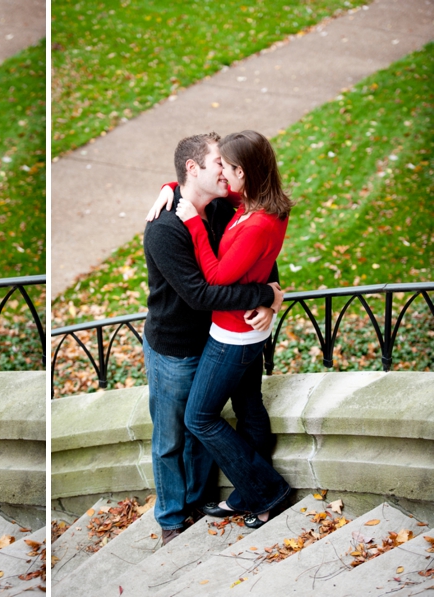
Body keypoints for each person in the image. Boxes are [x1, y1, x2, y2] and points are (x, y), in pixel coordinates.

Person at [142, 132, 284, 545]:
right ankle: (170, 518)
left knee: (203, 425)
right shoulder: (165, 229)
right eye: (218, 163)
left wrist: (273, 296)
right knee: (170, 437)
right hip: (173, 348)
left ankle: (201, 500)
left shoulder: (223, 208)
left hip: (215, 339)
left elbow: (261, 253)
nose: (226, 170)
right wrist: (264, 295)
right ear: (193, 169)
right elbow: (201, 294)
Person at [175, 130, 293, 527]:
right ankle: (250, 495)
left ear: (243, 171)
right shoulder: (261, 203)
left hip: (233, 336)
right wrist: (170, 187)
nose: (221, 172)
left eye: (225, 166)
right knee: (249, 408)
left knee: (199, 417)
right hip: (249, 330)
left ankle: (265, 490)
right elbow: (195, 182)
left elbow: (216, 279)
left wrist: (192, 223)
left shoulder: (257, 223)